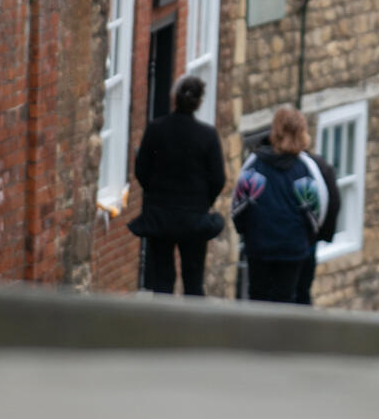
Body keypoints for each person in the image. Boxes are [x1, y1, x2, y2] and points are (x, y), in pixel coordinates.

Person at [128, 75, 225, 296]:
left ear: (174, 98)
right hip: (194, 219)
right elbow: (218, 179)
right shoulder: (207, 136)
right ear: (199, 103)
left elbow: (141, 170)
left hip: (160, 217)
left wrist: (155, 193)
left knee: (162, 279)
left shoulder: (156, 130)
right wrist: (203, 201)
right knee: (193, 281)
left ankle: (163, 319)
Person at [232, 107, 328, 304]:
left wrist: (245, 232)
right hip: (293, 248)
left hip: (259, 245)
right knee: (285, 301)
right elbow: (317, 212)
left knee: (257, 297)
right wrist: (306, 238)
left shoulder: (255, 164)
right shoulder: (305, 168)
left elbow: (238, 207)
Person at [295, 150, 341, 305]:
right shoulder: (315, 164)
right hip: (307, 241)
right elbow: (333, 202)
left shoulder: (313, 166)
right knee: (301, 294)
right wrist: (321, 234)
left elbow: (332, 201)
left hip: (301, 242)